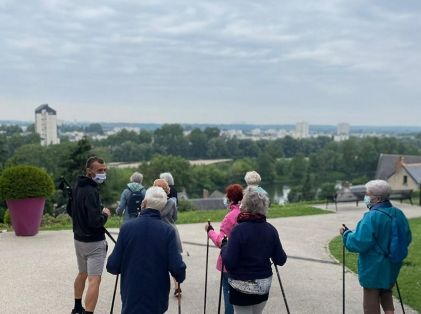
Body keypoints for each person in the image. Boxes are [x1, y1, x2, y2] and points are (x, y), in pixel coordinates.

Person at [106, 186, 186, 314]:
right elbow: (177, 267)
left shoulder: (126, 228)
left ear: (144, 203)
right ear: (162, 207)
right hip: (157, 296)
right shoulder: (168, 231)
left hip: (131, 294)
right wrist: (180, 275)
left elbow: (112, 266)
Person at [340, 180, 412, 314]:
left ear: (378, 198)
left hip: (374, 267)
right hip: (392, 263)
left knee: (370, 303)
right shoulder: (398, 213)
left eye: (368, 194)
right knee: (386, 292)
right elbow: (406, 238)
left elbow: (358, 242)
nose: (365, 196)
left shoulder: (371, 217)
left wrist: (346, 234)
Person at [221, 186, 287, 314]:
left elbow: (229, 262)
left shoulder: (238, 230)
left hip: (241, 288)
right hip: (263, 287)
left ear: (244, 205)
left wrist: (224, 247)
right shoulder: (271, 230)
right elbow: (281, 259)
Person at [68, 156, 111, 314]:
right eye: (99, 170)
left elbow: (69, 210)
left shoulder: (77, 186)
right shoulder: (91, 191)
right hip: (93, 242)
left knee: (82, 273)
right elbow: (95, 221)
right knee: (95, 279)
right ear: (89, 171)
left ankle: (77, 307)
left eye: (105, 170)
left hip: (78, 239)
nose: (103, 173)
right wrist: (105, 214)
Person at [205, 184, 243, 314]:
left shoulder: (230, 217)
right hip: (245, 261)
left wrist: (210, 231)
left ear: (230, 199)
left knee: (228, 293)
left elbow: (222, 241)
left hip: (229, 263)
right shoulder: (246, 213)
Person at [153, 178, 183, 297]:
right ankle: (177, 287)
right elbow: (175, 217)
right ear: (167, 189)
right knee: (174, 261)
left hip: (156, 233)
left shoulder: (151, 203)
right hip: (171, 230)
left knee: (158, 262)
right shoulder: (171, 202)